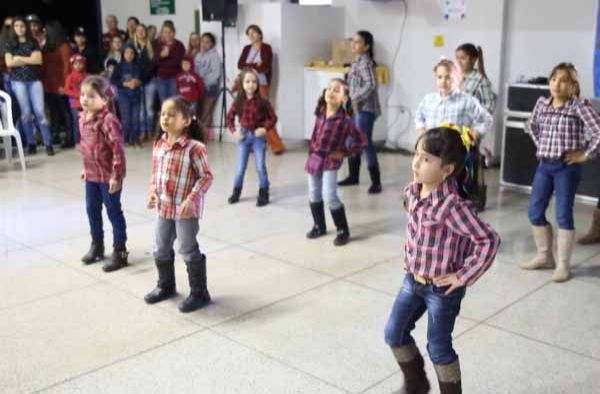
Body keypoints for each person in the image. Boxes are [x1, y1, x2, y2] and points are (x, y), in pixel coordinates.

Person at [384, 126, 500, 394]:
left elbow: (488, 240)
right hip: (412, 280)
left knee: (438, 347)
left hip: (442, 290)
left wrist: (462, 276)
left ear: (446, 169)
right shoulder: (412, 192)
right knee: (393, 333)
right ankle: (416, 384)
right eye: (416, 154)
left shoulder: (453, 206)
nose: (416, 162)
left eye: (426, 159)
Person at [520, 63, 600, 282]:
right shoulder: (542, 104)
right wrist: (541, 146)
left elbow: (598, 132)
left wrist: (585, 154)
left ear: (573, 85)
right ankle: (545, 256)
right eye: (554, 78)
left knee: (563, 213)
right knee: (535, 211)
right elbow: (532, 126)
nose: (557, 83)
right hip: (544, 166)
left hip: (567, 168)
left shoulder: (579, 106)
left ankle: (563, 265)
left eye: (564, 80)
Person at [144, 96, 214, 313]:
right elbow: (156, 174)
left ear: (186, 121)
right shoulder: (159, 145)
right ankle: (166, 285)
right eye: (163, 114)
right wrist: (153, 192)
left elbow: (206, 177)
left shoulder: (195, 148)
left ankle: (200, 292)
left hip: (185, 210)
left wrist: (191, 199)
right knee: (161, 245)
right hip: (164, 207)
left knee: (186, 247)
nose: (166, 118)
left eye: (172, 115)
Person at [415, 58, 492, 208]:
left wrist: (474, 134)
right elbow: (419, 117)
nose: (443, 81)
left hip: (457, 155)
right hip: (433, 154)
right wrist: (422, 132)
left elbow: (486, 119)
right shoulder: (428, 100)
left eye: (448, 77)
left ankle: (457, 211)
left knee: (457, 187)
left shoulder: (467, 101)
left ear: (457, 78)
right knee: (433, 184)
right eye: (440, 77)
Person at [305, 79, 366, 246]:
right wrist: (311, 153)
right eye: (329, 88)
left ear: (343, 99)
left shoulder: (345, 121)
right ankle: (319, 225)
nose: (331, 92)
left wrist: (344, 152)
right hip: (314, 160)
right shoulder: (320, 113)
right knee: (313, 192)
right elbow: (314, 136)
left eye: (336, 90)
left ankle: (342, 230)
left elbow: (361, 141)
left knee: (330, 195)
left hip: (330, 162)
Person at [78, 75, 128, 272]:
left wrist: (117, 175)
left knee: (113, 212)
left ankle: (120, 252)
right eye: (83, 95)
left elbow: (118, 150)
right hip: (92, 175)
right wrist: (86, 168)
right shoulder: (82, 118)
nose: (85, 99)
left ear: (105, 99)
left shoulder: (108, 120)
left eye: (91, 96)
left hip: (109, 177)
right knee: (92, 209)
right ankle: (97, 245)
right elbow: (87, 147)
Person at [338, 31, 383, 194]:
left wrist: (353, 97)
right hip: (354, 108)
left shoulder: (366, 62)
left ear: (366, 46)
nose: (353, 44)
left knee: (364, 143)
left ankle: (376, 181)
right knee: (351, 140)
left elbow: (370, 85)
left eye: (357, 42)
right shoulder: (357, 61)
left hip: (365, 109)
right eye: (353, 41)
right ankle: (353, 176)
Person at [226, 69, 277, 207]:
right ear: (242, 84)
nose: (251, 85)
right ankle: (236, 191)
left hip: (257, 137)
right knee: (240, 168)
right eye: (247, 82)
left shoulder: (263, 101)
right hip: (243, 137)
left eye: (254, 82)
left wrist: (264, 128)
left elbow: (273, 118)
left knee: (260, 166)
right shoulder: (238, 101)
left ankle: (264, 190)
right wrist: (234, 131)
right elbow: (229, 118)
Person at [4, 16, 54, 155]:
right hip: (18, 81)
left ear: (26, 27)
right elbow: (9, 63)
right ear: (13, 28)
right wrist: (28, 59)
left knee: (40, 112)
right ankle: (31, 143)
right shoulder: (10, 43)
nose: (20, 28)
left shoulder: (33, 42)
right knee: (26, 113)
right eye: (17, 26)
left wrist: (19, 59)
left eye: (22, 26)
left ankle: (48, 143)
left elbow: (38, 60)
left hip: (34, 81)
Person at [237, 24, 285, 154]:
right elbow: (240, 64)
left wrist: (250, 67)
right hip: (246, 85)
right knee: (249, 114)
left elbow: (264, 67)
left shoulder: (266, 48)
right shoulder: (247, 48)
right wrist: (254, 66)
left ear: (259, 34)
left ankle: (276, 145)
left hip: (261, 84)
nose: (251, 36)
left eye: (253, 33)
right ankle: (251, 143)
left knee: (264, 114)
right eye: (249, 34)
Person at [42, 21, 72, 147]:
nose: (44, 33)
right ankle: (55, 136)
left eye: (46, 31)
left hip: (60, 85)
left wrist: (64, 86)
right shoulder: (47, 46)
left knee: (65, 113)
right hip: (48, 85)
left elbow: (67, 67)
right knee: (53, 113)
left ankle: (70, 138)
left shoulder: (64, 46)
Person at [111, 43, 146, 147]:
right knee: (126, 118)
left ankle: (134, 138)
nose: (129, 55)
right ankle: (125, 138)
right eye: (127, 52)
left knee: (135, 118)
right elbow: (113, 80)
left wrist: (138, 82)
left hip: (136, 94)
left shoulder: (138, 65)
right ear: (123, 54)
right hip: (123, 95)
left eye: (131, 53)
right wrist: (125, 83)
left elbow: (144, 78)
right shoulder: (119, 66)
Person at [132, 24, 157, 142]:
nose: (141, 32)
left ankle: (150, 132)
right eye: (138, 30)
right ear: (135, 32)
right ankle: (142, 132)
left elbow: (154, 64)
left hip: (150, 81)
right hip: (137, 82)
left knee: (150, 108)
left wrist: (147, 76)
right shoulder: (132, 46)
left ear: (146, 32)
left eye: (143, 30)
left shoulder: (151, 45)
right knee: (141, 109)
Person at [194, 32, 222, 139]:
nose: (204, 44)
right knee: (200, 111)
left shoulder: (214, 56)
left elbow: (216, 73)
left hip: (210, 87)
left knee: (206, 112)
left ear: (212, 44)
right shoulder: (198, 55)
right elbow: (195, 71)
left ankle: (201, 136)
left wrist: (202, 82)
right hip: (199, 87)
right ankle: (202, 134)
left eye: (207, 42)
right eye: (202, 41)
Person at [455, 43, 496, 114]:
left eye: (463, 58)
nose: (459, 62)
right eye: (457, 58)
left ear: (473, 59)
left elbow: (489, 106)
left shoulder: (481, 79)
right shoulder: (453, 77)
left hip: (470, 123)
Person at [153, 21, 185, 103]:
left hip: (174, 77)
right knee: (164, 102)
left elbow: (178, 62)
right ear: (162, 33)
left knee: (174, 101)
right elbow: (154, 62)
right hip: (161, 78)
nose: (167, 34)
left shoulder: (179, 45)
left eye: (170, 32)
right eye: (165, 32)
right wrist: (161, 56)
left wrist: (163, 62)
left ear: (174, 33)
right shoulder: (158, 44)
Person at [63, 54, 88, 146]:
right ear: (72, 65)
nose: (78, 66)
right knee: (76, 123)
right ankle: (77, 142)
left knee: (86, 123)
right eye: (76, 64)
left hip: (85, 103)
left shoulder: (87, 76)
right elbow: (66, 90)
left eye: (80, 63)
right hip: (74, 103)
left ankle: (86, 141)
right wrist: (78, 95)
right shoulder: (70, 77)